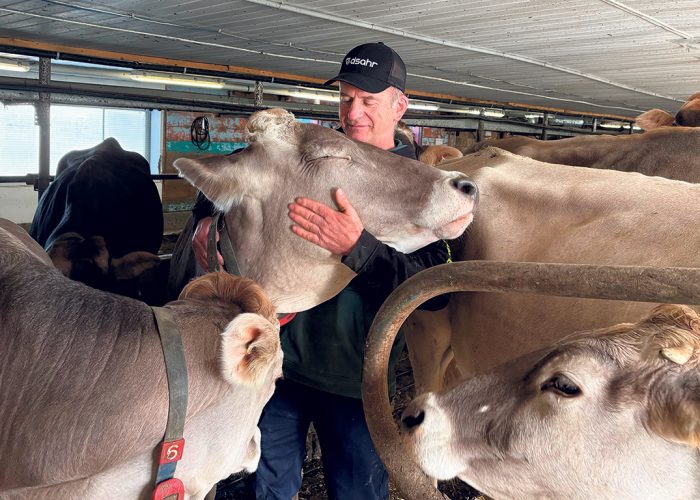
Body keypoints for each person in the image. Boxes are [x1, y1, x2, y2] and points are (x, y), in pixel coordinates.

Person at [191, 42, 450, 500]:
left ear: (399, 105)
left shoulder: (420, 183)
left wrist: (358, 248)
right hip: (278, 367)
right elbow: (230, 196)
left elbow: (438, 289)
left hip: (355, 378)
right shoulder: (308, 156)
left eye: (369, 101)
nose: (354, 113)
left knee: (356, 490)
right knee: (265, 487)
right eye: (347, 98)